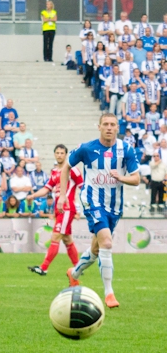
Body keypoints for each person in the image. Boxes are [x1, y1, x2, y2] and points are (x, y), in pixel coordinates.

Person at [63, 114, 140, 308]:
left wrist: (121, 177)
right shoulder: (87, 148)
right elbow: (66, 166)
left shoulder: (126, 149)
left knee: (97, 249)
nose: (109, 127)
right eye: (105, 124)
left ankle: (74, 273)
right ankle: (109, 293)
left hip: (114, 207)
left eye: (112, 125)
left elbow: (136, 179)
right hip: (92, 201)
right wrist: (64, 195)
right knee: (107, 242)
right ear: (99, 127)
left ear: (117, 128)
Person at [26, 144, 83, 277]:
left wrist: (84, 206)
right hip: (59, 208)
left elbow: (82, 186)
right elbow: (47, 188)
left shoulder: (72, 170)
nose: (59, 155)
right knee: (67, 239)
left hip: (67, 209)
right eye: (57, 153)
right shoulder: (54, 171)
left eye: (62, 153)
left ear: (66, 155)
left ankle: (44, 268)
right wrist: (33, 195)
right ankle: (78, 267)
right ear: (54, 154)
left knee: (55, 236)